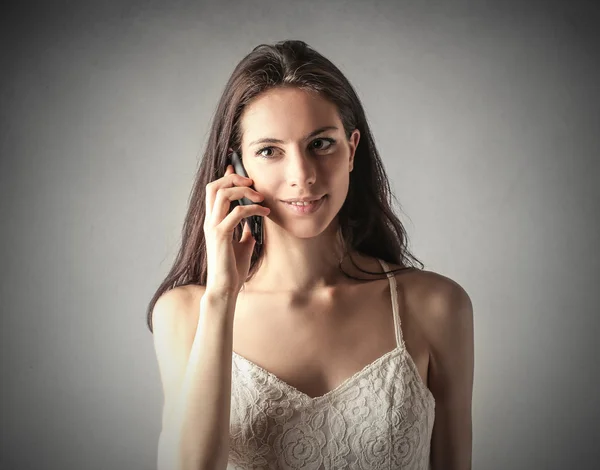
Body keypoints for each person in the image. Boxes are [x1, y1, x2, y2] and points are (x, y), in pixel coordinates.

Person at [147, 40, 474, 470]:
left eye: (320, 144)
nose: (302, 175)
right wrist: (222, 296)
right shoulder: (185, 315)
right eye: (269, 151)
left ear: (352, 149)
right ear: (236, 169)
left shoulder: (436, 306)